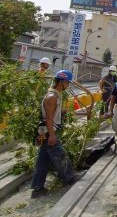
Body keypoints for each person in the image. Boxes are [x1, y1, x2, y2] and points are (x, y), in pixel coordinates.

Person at [31, 70, 84, 198]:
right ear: (61, 82)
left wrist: (65, 112)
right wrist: (52, 135)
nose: (68, 85)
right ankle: (70, 178)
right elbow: (48, 118)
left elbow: (54, 113)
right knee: (60, 155)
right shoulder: (52, 97)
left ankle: (37, 188)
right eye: (67, 83)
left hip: (47, 132)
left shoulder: (55, 95)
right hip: (49, 132)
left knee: (42, 161)